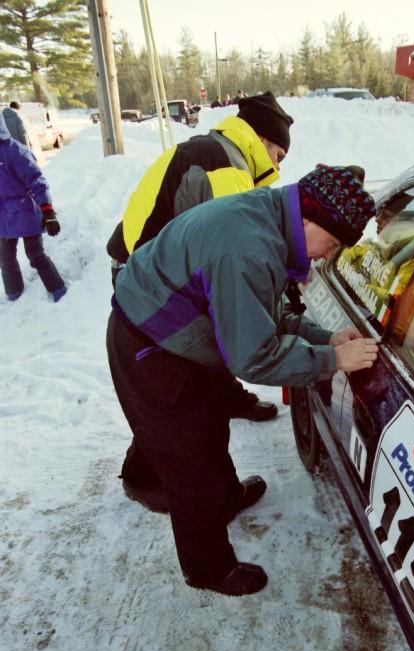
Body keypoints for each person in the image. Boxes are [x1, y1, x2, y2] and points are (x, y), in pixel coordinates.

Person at [107, 163, 378, 596]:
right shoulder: (249, 247)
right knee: (188, 457)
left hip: (187, 333)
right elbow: (254, 356)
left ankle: (225, 498)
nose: (330, 256)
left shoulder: (270, 219)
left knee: (209, 424)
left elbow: (260, 314)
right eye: (334, 243)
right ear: (309, 219)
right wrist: (331, 359)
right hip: (151, 343)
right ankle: (208, 568)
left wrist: (325, 337)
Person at [107, 91, 295, 511]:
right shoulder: (225, 168)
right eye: (278, 154)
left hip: (146, 271)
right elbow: (235, 260)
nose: (278, 167)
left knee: (197, 369)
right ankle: (147, 477)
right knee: (172, 391)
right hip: (149, 285)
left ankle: (229, 399)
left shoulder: (215, 150)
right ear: (261, 141)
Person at [0, 111, 67, 303]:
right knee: (5, 258)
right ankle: (14, 295)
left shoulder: (14, 150)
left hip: (25, 209)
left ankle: (58, 291)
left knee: (35, 254)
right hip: (4, 214)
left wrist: (48, 212)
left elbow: (37, 181)